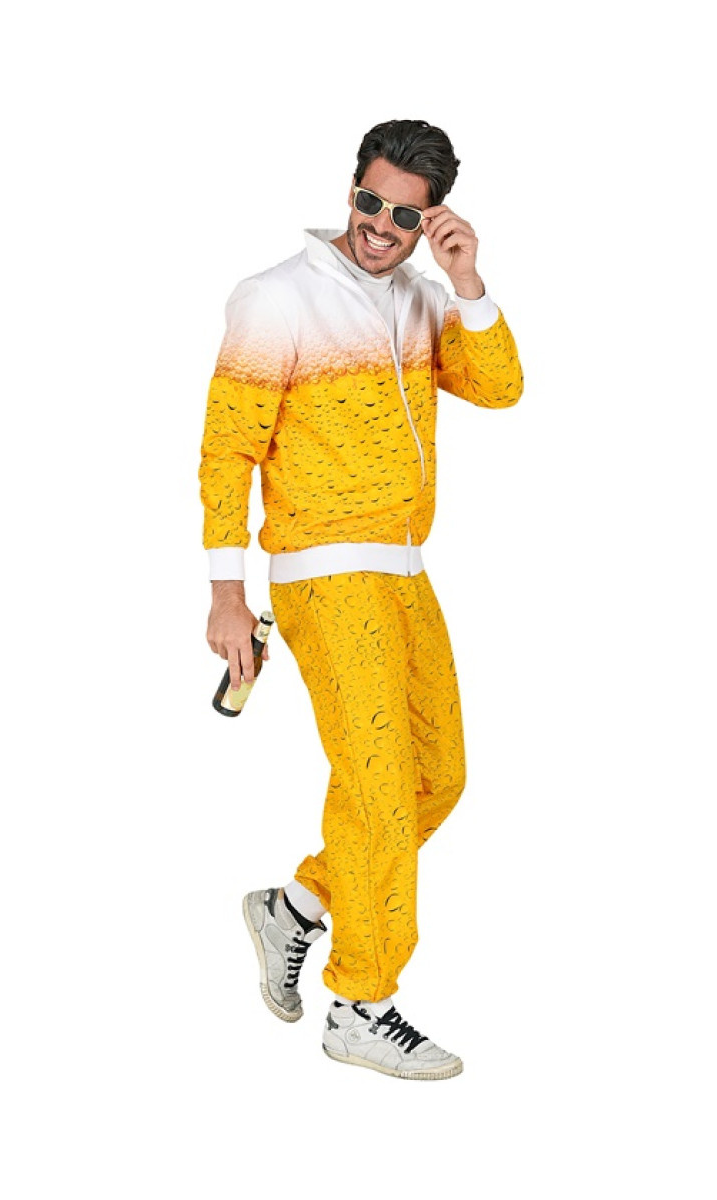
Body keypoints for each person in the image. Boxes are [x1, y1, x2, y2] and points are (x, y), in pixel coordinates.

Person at [199, 119, 523, 1081]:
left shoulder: (422, 298)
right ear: (351, 190)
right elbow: (228, 449)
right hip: (323, 570)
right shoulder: (276, 298)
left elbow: (500, 389)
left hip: (405, 568)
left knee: (435, 777)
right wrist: (226, 594)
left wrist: (467, 282)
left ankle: (296, 906)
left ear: (431, 220)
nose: (382, 226)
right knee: (380, 785)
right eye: (371, 202)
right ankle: (361, 1005)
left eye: (405, 216)